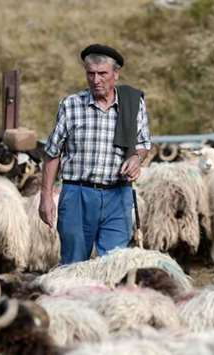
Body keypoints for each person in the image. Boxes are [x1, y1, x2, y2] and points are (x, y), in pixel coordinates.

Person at [39, 44, 151, 264]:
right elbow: (52, 153)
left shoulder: (133, 103)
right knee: (73, 263)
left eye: (102, 74)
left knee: (114, 264)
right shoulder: (70, 105)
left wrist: (136, 158)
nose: (96, 80)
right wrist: (45, 197)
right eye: (91, 74)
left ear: (115, 74)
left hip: (118, 196)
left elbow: (143, 143)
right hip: (77, 195)